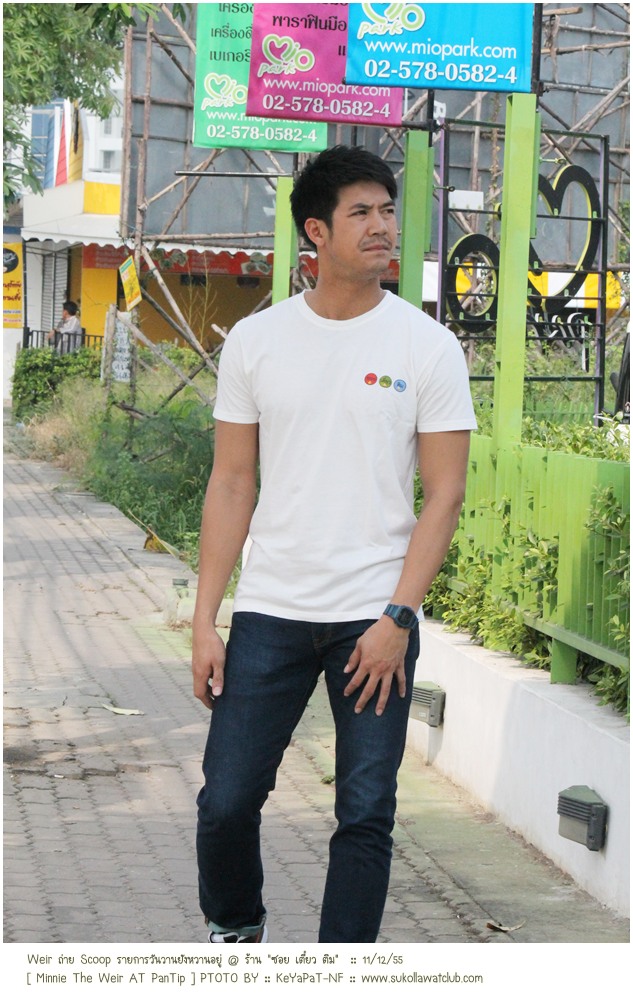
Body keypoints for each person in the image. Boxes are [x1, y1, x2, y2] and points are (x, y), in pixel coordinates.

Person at [192, 145, 477, 944]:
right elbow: (231, 483)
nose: (382, 225)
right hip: (271, 610)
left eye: (387, 210)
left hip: (373, 617)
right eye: (361, 213)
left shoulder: (426, 346)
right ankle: (235, 928)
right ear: (316, 231)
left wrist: (398, 617)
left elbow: (444, 493)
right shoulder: (257, 341)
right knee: (225, 801)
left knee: (364, 811)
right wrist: (206, 619)